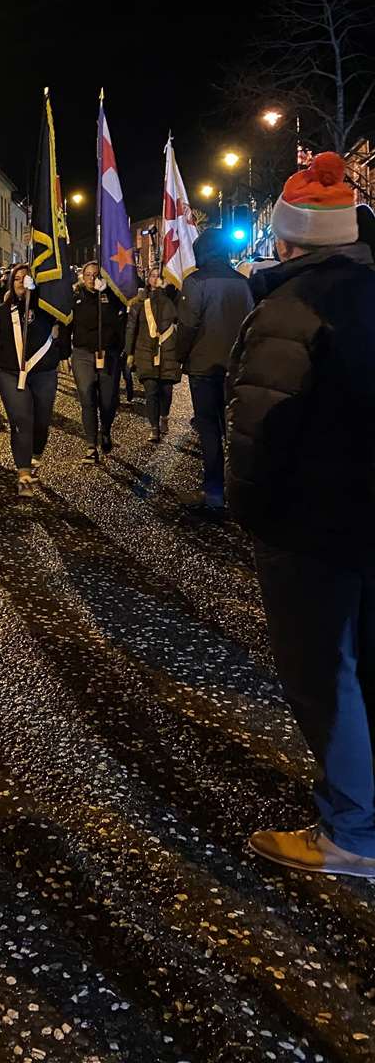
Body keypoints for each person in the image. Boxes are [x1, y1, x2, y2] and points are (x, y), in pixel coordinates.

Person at [226, 152, 375, 877]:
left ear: (289, 237)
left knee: (323, 674)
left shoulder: (288, 308)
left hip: (312, 527)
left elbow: (260, 430)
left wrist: (248, 512)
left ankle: (353, 833)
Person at [176, 228, 253, 509]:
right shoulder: (242, 283)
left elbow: (187, 327)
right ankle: (238, 490)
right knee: (232, 430)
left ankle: (213, 492)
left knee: (209, 430)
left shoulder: (195, 282)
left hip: (204, 366)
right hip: (235, 368)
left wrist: (179, 357)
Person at [0, 264, 66, 493]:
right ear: (11, 284)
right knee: (21, 422)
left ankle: (35, 455)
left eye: (26, 278)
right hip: (11, 374)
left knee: (41, 422)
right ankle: (23, 474)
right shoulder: (1, 312)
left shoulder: (47, 310)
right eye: (17, 279)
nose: (22, 282)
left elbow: (66, 317)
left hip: (43, 373)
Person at [70, 260, 127, 463]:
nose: (92, 278)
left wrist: (108, 295)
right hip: (83, 354)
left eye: (96, 275)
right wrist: (61, 353)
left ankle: (106, 429)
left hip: (107, 354)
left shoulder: (111, 297)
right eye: (88, 275)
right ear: (82, 277)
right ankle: (91, 445)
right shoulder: (76, 298)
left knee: (108, 400)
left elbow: (119, 319)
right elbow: (66, 324)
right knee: (87, 399)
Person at [125, 266, 181, 443]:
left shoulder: (173, 299)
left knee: (166, 390)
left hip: (168, 351)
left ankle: (164, 415)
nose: (156, 279)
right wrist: (129, 352)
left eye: (159, 276)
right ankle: (154, 427)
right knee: (151, 391)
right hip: (145, 351)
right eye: (153, 276)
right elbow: (131, 328)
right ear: (148, 279)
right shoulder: (139, 303)